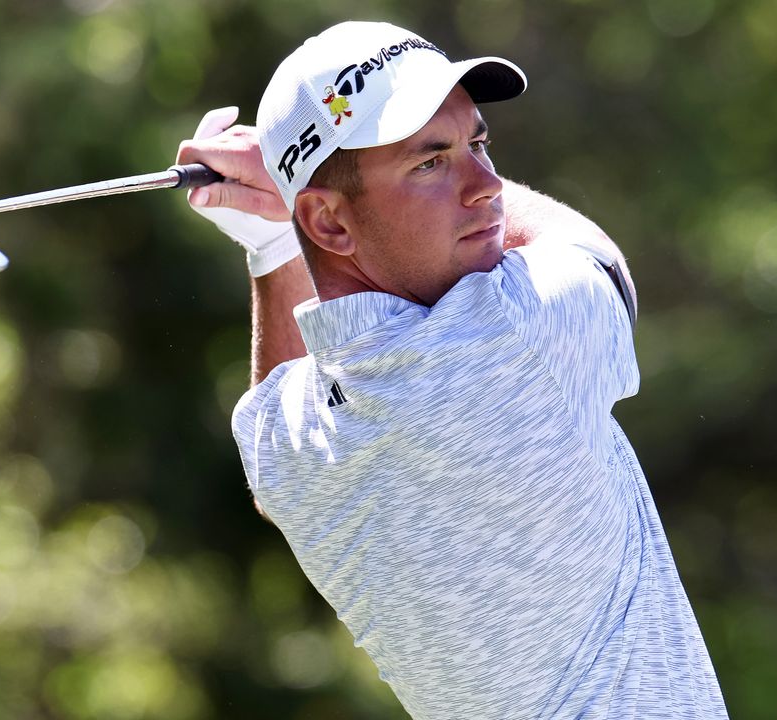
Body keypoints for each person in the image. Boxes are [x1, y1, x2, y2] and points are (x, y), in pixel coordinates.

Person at [176, 20, 727, 719]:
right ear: (332, 225)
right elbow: (597, 255)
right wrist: (282, 200)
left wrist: (274, 240)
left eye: (478, 143)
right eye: (430, 163)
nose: (487, 185)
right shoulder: (516, 337)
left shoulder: (296, 447)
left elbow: (273, 445)